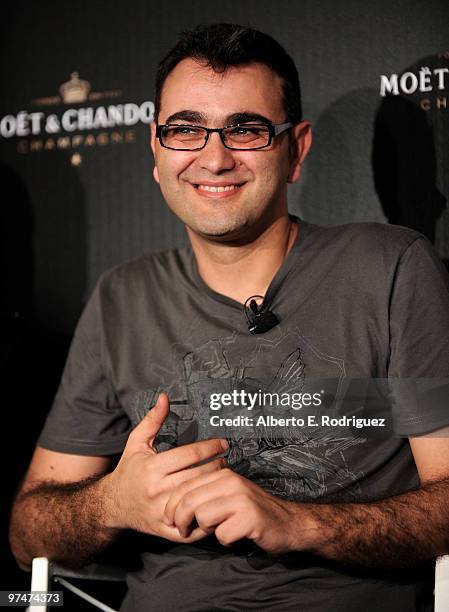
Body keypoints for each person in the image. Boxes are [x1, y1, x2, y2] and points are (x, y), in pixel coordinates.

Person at [9, 23, 449, 612]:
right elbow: (28, 535)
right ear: (157, 152)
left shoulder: (391, 267)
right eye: (186, 129)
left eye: (246, 129)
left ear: (296, 150)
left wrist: (297, 524)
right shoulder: (121, 297)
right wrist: (113, 502)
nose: (214, 159)